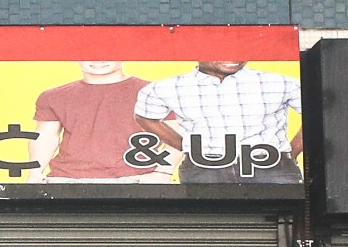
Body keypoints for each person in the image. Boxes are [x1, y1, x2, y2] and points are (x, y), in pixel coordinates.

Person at [132, 60, 305, 184]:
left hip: (270, 165)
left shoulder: (281, 83)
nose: (232, 56)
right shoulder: (166, 87)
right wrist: (186, 146)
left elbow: (316, 112)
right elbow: (145, 116)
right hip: (204, 168)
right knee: (209, 227)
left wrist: (292, 151)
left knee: (286, 225)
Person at [27, 60, 171, 183]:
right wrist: (34, 173)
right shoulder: (53, 96)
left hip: (137, 178)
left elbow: (176, 137)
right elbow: (46, 136)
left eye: (107, 52)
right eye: (89, 52)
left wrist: (163, 173)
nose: (98, 59)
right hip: (67, 180)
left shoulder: (155, 93)